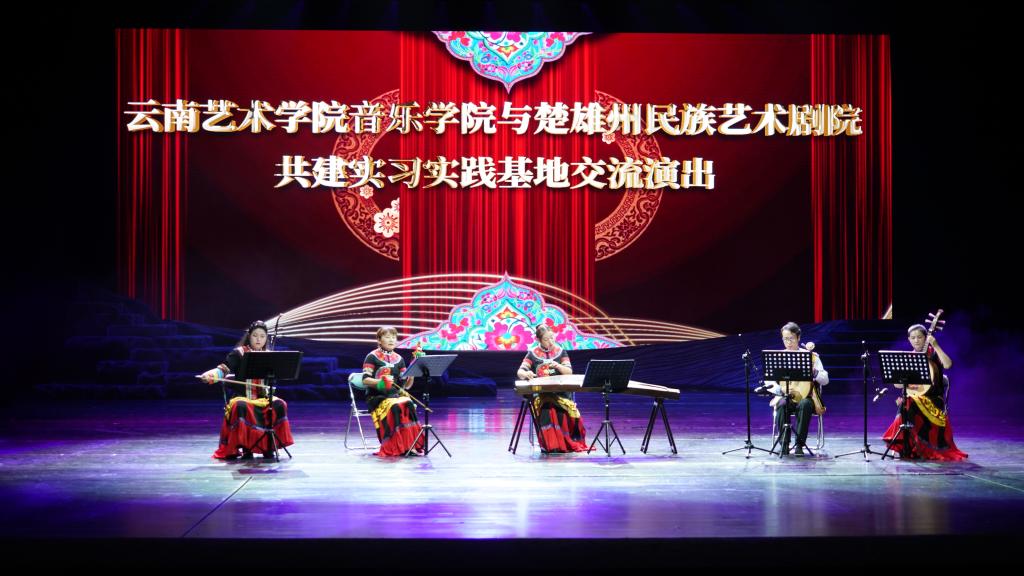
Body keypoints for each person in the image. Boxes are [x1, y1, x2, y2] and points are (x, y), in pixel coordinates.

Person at [201, 320, 294, 460]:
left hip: (263, 398)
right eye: (255, 335)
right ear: (249, 336)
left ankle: (269, 446)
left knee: (280, 404)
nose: (258, 339)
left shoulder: (270, 355)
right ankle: (246, 447)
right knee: (241, 405)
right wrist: (211, 375)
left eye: (262, 336)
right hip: (243, 397)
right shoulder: (239, 353)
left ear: (266, 338)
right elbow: (224, 369)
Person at [882, 324, 967, 460]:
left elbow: (948, 364)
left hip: (933, 398)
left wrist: (936, 345)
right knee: (907, 402)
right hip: (915, 397)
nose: (916, 340)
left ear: (926, 338)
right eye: (913, 338)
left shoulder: (933, 353)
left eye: (920, 337)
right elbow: (898, 385)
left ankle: (911, 447)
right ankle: (908, 446)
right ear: (909, 339)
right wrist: (902, 385)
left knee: (909, 403)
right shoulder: (909, 358)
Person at [516, 324, 587, 453]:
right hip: (542, 395)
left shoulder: (561, 352)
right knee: (547, 409)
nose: (550, 341)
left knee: (560, 411)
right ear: (538, 340)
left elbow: (569, 371)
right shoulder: (532, 354)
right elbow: (520, 372)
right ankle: (551, 446)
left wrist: (558, 366)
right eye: (546, 339)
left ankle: (565, 444)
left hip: (561, 395)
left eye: (552, 338)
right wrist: (526, 374)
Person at [765, 322, 828, 456]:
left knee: (805, 404)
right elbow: (769, 381)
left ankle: (800, 445)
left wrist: (815, 372)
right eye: (785, 339)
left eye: (791, 339)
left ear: (798, 338)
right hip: (786, 396)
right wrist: (779, 390)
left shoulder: (811, 357)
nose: (788, 342)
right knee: (782, 404)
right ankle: (784, 444)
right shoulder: (778, 357)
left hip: (807, 398)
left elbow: (825, 380)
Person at [361, 326, 425, 456]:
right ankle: (394, 445)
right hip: (377, 397)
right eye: (387, 337)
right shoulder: (372, 357)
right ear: (379, 340)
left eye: (394, 337)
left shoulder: (399, 359)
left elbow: (406, 386)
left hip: (394, 396)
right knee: (396, 406)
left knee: (408, 403)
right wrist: (380, 382)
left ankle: (410, 445)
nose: (391, 340)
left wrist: (412, 374)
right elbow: (365, 379)